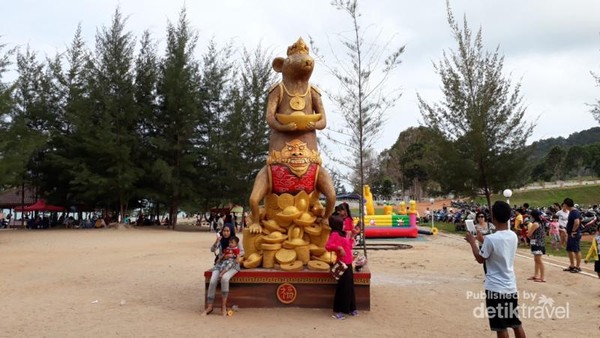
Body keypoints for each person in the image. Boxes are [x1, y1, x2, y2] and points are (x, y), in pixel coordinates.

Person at [465, 201, 526, 338]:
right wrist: (483, 240)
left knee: (501, 326)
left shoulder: (491, 240)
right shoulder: (513, 236)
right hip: (510, 286)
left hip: (495, 289)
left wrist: (473, 243)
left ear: (494, 217)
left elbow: (481, 259)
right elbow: (498, 245)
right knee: (515, 323)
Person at [203, 223, 243, 316]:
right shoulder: (220, 240)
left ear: (231, 231)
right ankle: (210, 306)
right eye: (224, 231)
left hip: (232, 265)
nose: (225, 233)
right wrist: (217, 241)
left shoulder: (236, 240)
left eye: (227, 231)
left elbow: (242, 252)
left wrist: (232, 255)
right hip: (220, 264)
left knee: (224, 279)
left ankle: (223, 306)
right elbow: (212, 250)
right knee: (213, 281)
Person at [325, 215, 358, 320]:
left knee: (350, 287)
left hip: (349, 263)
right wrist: (338, 248)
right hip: (342, 263)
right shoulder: (335, 234)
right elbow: (328, 246)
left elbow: (349, 246)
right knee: (343, 287)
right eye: (342, 223)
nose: (344, 225)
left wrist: (352, 236)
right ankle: (339, 311)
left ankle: (351, 308)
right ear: (337, 224)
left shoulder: (342, 234)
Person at [562, 198, 582, 273]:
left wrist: (573, 231)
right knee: (569, 250)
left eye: (564, 204)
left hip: (574, 234)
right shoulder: (571, 211)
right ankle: (572, 265)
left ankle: (578, 267)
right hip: (570, 234)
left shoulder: (574, 212)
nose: (563, 206)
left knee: (576, 250)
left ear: (566, 205)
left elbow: (577, 222)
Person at [527, 210, 546, 282]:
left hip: (537, 243)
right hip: (539, 243)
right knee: (536, 260)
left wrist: (529, 234)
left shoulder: (535, 224)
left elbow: (529, 234)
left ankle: (542, 277)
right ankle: (536, 275)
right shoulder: (541, 223)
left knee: (539, 260)